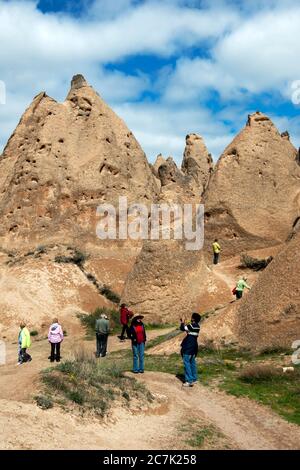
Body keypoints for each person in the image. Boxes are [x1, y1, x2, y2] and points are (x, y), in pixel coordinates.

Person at [180, 313, 201, 387]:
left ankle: (189, 381)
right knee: (192, 363)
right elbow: (188, 331)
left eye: (192, 317)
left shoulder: (191, 325)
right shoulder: (198, 326)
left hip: (188, 346)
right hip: (194, 347)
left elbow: (182, 328)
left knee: (187, 363)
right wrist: (185, 323)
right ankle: (194, 378)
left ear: (193, 319)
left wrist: (182, 322)